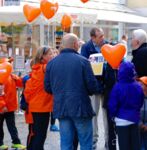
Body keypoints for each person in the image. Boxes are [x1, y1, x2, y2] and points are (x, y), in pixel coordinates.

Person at [44, 33, 100, 150]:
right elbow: (92, 87)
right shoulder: (83, 61)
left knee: (65, 144)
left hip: (62, 107)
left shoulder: (51, 64)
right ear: (75, 44)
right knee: (85, 143)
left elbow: (47, 88)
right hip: (81, 108)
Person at [81, 27, 116, 150]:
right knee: (93, 116)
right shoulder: (86, 48)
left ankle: (108, 141)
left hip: (107, 86)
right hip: (93, 86)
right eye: (100, 36)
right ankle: (93, 142)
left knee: (107, 116)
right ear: (93, 38)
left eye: (103, 35)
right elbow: (84, 65)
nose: (103, 38)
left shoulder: (108, 46)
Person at [108, 61, 144, 150]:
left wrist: (112, 116)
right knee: (136, 145)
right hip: (134, 118)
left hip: (121, 120)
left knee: (124, 145)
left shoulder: (117, 87)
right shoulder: (138, 86)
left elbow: (112, 105)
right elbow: (140, 102)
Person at [24, 46, 54, 150]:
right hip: (38, 108)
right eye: (50, 54)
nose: (53, 55)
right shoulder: (44, 68)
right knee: (38, 136)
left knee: (38, 136)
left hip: (40, 107)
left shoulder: (37, 69)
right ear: (42, 57)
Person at [0, 59, 26, 150]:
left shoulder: (12, 76)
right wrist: (2, 105)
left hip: (10, 108)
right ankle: (0, 144)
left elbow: (21, 83)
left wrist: (28, 77)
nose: (11, 65)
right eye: (9, 63)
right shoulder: (2, 77)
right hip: (2, 108)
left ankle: (16, 142)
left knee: (12, 126)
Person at [138, 77, 147, 150]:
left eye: (142, 84)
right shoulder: (137, 98)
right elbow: (134, 112)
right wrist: (140, 124)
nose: (139, 85)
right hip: (139, 128)